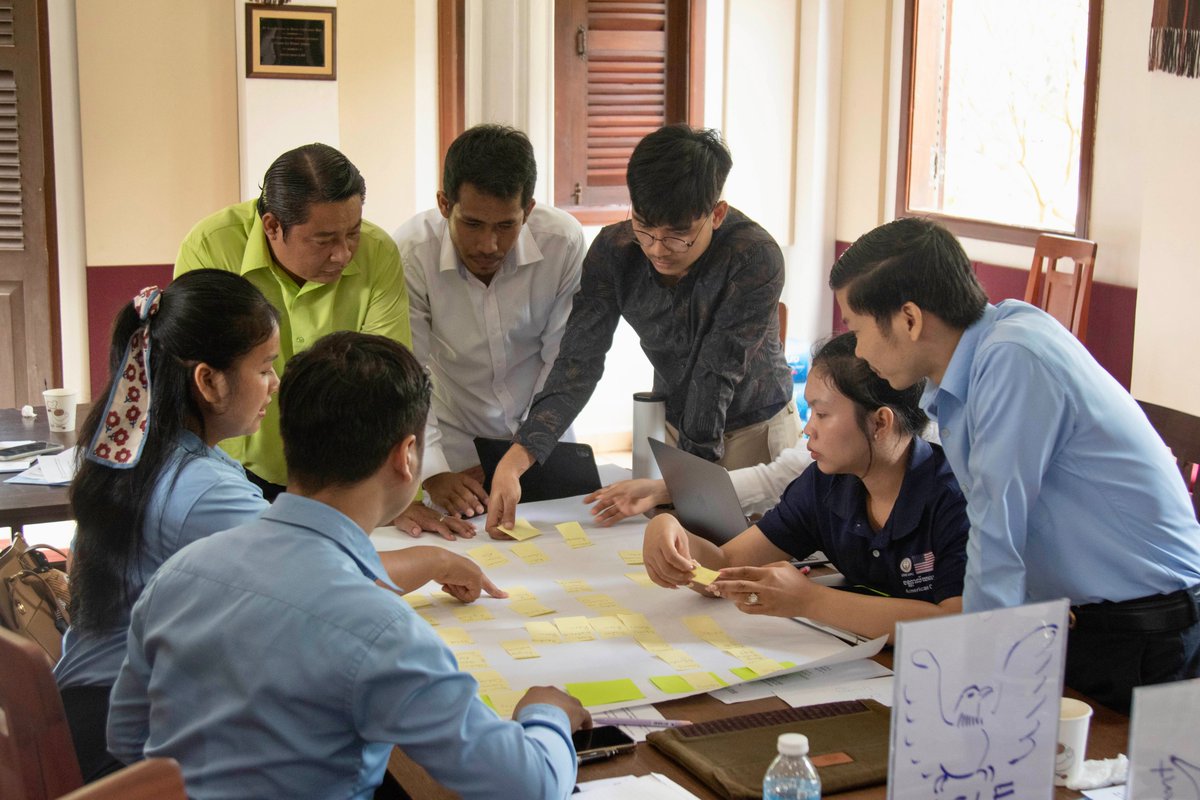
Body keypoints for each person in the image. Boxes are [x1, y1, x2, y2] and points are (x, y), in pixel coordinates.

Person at [107, 332, 591, 799]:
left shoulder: (179, 573)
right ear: (406, 456)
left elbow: (128, 738)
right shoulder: (381, 631)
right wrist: (546, 714)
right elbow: (530, 784)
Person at [829, 216, 1200, 711]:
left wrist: (976, 674)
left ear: (910, 319)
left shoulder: (1013, 359)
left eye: (856, 328)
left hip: (1147, 632)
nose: (856, 349)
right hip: (1088, 622)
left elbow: (996, 533)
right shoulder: (986, 348)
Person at [486, 125, 798, 535]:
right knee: (664, 558)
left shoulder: (753, 256)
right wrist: (518, 457)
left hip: (754, 431)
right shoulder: (615, 253)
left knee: (743, 566)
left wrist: (678, 484)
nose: (656, 248)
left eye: (678, 235)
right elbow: (577, 363)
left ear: (716, 214)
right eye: (645, 227)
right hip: (674, 427)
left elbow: (715, 373)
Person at [56, 270, 280, 781]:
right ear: (208, 380)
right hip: (124, 747)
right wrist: (431, 558)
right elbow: (320, 578)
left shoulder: (135, 453)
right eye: (264, 367)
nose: (275, 384)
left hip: (85, 709)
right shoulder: (198, 488)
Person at [175, 142, 454, 537]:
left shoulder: (376, 252)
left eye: (352, 233)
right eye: (324, 240)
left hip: (338, 479)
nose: (343, 254)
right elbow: (205, 381)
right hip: (232, 468)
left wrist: (388, 495)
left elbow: (384, 386)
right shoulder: (212, 246)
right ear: (272, 226)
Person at [642, 332, 969, 642]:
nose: (808, 429)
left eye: (822, 413)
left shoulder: (956, 499)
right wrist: (672, 534)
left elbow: (956, 624)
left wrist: (811, 601)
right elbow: (726, 566)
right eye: (809, 411)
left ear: (880, 423)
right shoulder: (824, 485)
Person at [394, 124, 585, 520]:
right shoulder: (413, 251)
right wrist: (431, 473)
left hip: (545, 438)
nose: (488, 245)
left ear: (528, 211)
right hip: (453, 444)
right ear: (445, 204)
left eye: (506, 226)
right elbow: (409, 370)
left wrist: (523, 451)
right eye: (473, 224)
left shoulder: (563, 243)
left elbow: (563, 362)